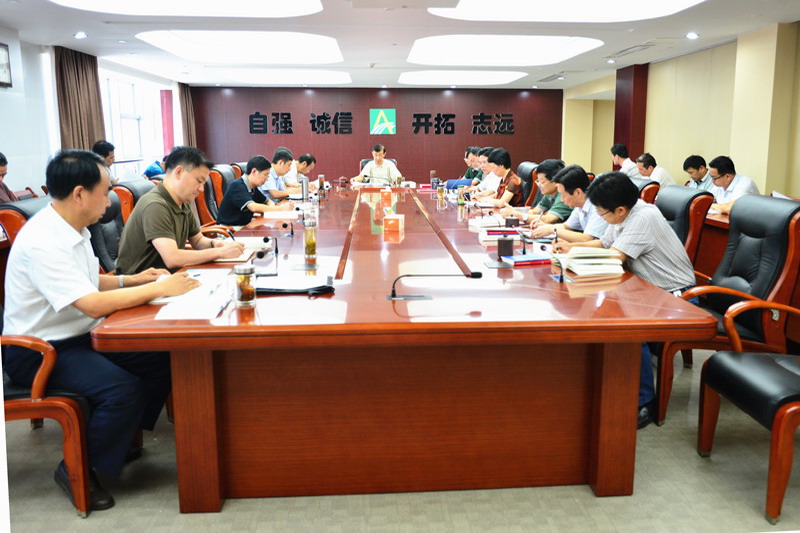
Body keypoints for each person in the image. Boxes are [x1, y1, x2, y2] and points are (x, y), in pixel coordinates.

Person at [1, 149, 200, 510]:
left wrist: (135, 279)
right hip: (40, 350)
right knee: (122, 390)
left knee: (161, 360)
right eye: (105, 191)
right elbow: (91, 303)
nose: (109, 200)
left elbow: (91, 281)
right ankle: (77, 467)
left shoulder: (73, 229)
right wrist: (160, 288)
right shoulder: (43, 241)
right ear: (80, 193)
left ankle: (116, 439)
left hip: (80, 336)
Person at [553, 172, 696, 429]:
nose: (600, 216)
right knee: (601, 312)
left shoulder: (642, 217)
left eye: (602, 212)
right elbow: (605, 244)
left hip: (676, 296)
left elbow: (615, 257)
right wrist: (571, 248)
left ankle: (644, 402)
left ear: (619, 209)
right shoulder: (624, 211)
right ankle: (608, 379)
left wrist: (573, 258)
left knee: (629, 328)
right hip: (645, 290)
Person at [115, 146, 245, 274]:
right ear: (179, 172)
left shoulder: (182, 202)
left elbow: (198, 241)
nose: (201, 189)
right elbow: (172, 258)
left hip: (168, 277)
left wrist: (215, 244)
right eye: (199, 181)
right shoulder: (155, 205)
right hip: (141, 283)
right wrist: (219, 252)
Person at [530, 164, 608, 242]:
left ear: (577, 192)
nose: (561, 200)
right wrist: (546, 227)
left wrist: (552, 229)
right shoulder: (580, 205)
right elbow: (566, 226)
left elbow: (587, 238)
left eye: (563, 195)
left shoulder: (599, 206)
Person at [216, 155, 293, 226]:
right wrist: (279, 209)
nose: (267, 179)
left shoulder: (252, 187)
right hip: (230, 229)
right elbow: (253, 207)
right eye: (265, 174)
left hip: (243, 226)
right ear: (254, 171)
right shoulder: (237, 186)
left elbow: (267, 201)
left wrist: (272, 209)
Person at [501, 159, 571, 224]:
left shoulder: (564, 195)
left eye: (542, 182)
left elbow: (548, 219)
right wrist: (513, 211)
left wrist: (517, 215)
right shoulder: (549, 193)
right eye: (538, 181)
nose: (539, 185)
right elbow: (535, 212)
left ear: (556, 181)